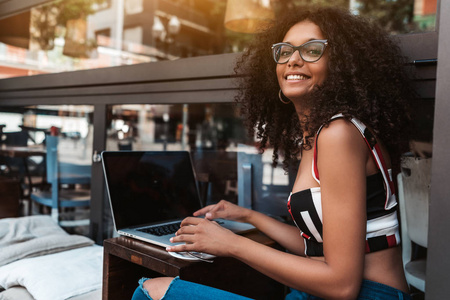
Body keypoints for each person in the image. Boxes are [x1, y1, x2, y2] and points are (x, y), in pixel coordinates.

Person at [132, 5, 414, 300]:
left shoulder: (338, 134)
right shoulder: (321, 135)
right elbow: (317, 247)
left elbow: (342, 285)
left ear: (340, 64)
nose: (294, 60)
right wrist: (250, 216)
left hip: (370, 295)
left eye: (312, 50)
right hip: (321, 291)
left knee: (151, 290)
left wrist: (231, 243)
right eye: (285, 51)